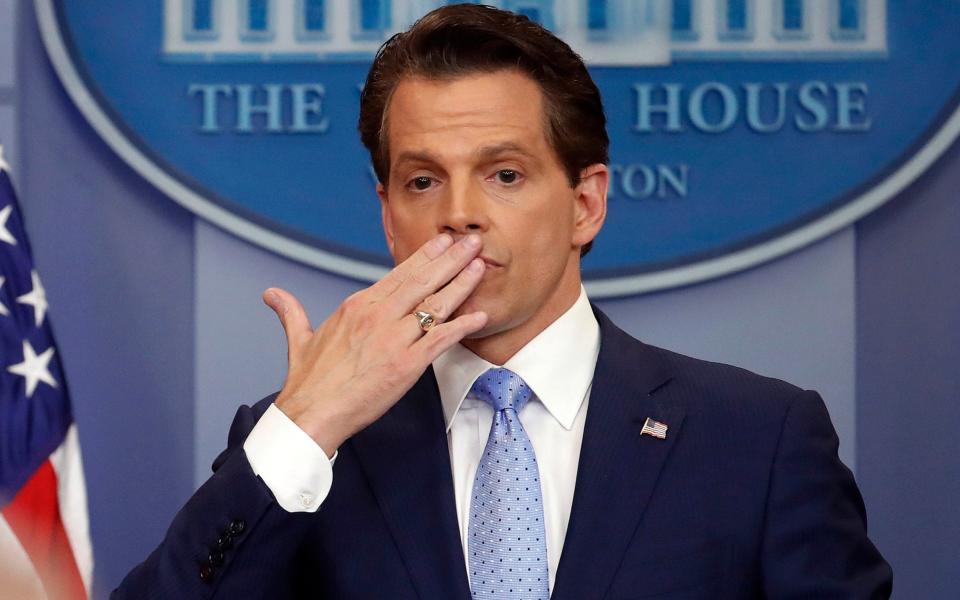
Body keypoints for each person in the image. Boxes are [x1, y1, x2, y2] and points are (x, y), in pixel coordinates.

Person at [114, 5, 892, 599]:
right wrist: (307, 425)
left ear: (585, 203)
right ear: (389, 217)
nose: (460, 212)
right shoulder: (302, 445)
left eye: (505, 174)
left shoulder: (759, 440)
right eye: (423, 180)